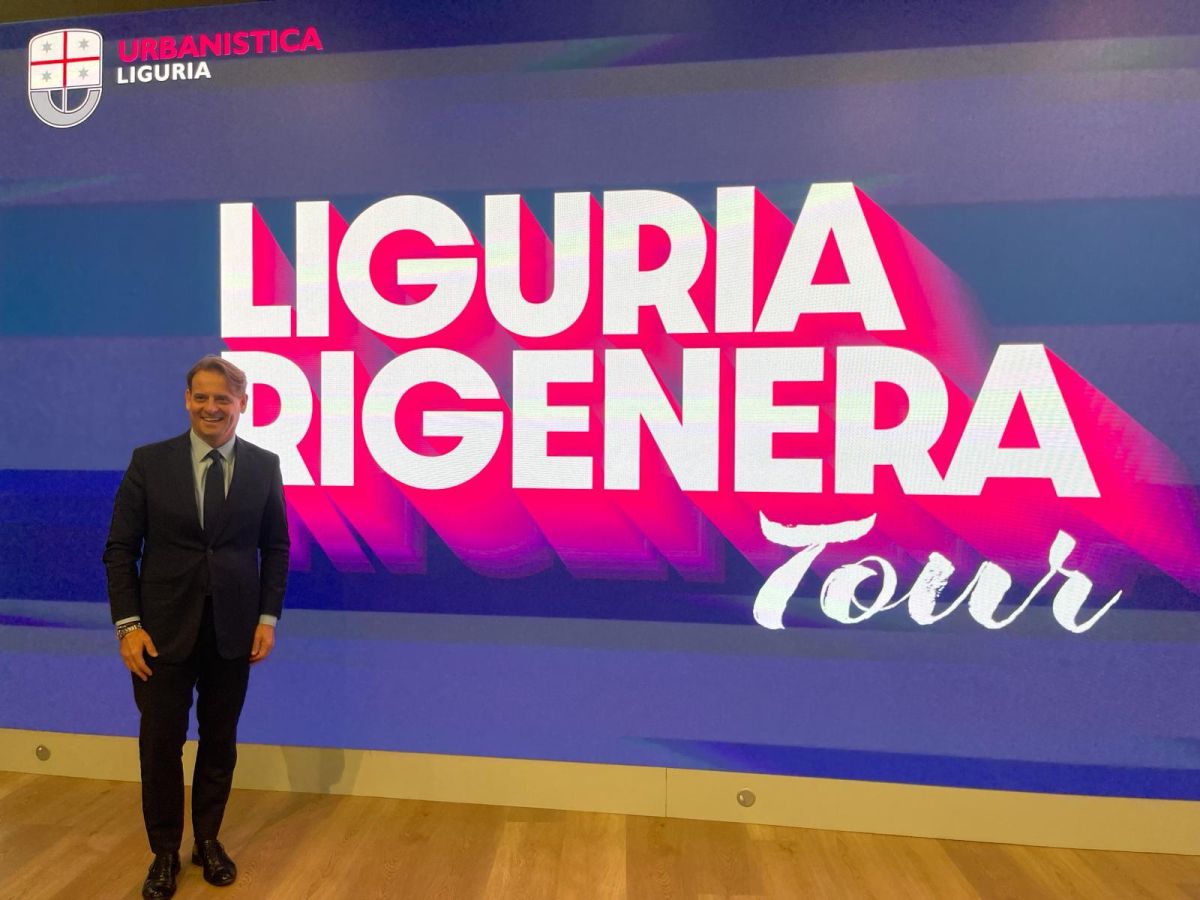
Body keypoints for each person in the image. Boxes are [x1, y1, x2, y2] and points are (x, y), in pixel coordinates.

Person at [103, 355, 289, 899]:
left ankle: (208, 840)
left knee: (220, 739)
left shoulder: (264, 465)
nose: (212, 407)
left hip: (234, 630)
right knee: (160, 744)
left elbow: (276, 547)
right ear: (187, 399)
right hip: (159, 633)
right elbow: (120, 549)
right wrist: (128, 626)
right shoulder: (149, 462)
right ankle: (164, 851)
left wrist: (267, 617)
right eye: (202, 397)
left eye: (223, 399)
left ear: (242, 405)